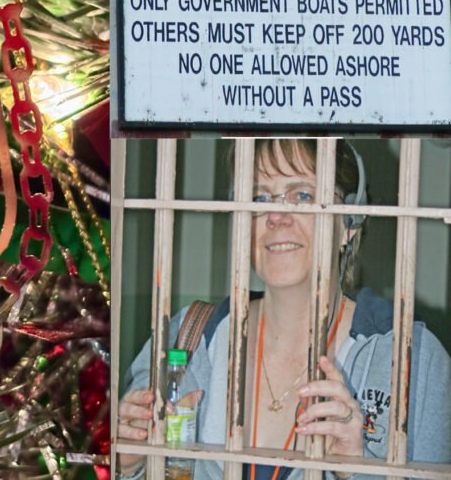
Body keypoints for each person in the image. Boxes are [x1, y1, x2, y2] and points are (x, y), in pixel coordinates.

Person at [117, 139, 451, 479]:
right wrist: (130, 467)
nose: (276, 216)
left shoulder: (412, 361)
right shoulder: (185, 338)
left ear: (350, 222)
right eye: (259, 198)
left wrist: (356, 470)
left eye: (303, 195)